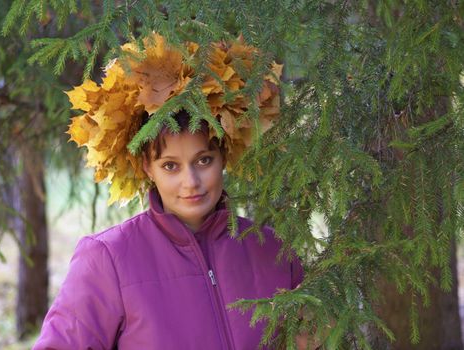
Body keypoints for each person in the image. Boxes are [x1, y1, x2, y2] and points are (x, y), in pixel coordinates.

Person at [33, 34, 307, 349]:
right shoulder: (108, 259)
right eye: (170, 166)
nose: (191, 182)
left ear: (223, 156)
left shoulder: (271, 250)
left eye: (203, 160)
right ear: (147, 167)